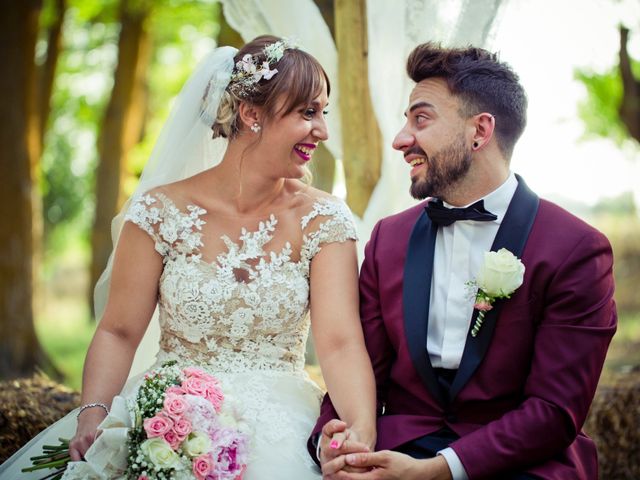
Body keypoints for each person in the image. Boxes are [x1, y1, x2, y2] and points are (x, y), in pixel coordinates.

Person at [0, 35, 376, 480]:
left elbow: (341, 342)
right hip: (165, 413)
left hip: (281, 425)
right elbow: (119, 331)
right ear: (251, 114)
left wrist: (360, 436)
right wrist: (93, 415)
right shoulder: (159, 213)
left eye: (323, 113)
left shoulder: (323, 219)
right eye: (307, 113)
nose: (322, 130)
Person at [312, 43, 617, 480]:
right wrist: (332, 438)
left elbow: (554, 410)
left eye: (421, 119)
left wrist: (439, 471)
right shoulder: (388, 239)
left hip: (522, 462)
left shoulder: (577, 249)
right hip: (398, 447)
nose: (400, 139)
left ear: (480, 131)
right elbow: (359, 366)